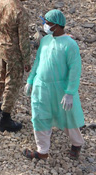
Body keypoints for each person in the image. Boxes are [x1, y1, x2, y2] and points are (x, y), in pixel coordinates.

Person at [23, 9, 85, 161]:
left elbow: (74, 70)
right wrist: (31, 80)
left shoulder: (70, 45)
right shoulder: (45, 40)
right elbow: (38, 61)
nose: (44, 26)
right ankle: (42, 151)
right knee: (39, 116)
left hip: (60, 89)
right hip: (41, 86)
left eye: (47, 23)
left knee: (67, 117)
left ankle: (77, 144)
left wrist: (70, 92)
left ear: (57, 25)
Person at [0, 0, 32, 132]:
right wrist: (27, 60)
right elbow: (23, 39)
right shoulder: (20, 11)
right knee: (12, 84)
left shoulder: (0, 3)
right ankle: (5, 118)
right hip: (13, 52)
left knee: (0, 77)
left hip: (1, 47)